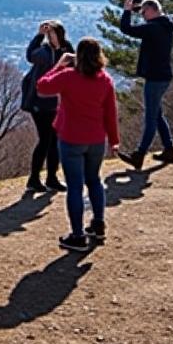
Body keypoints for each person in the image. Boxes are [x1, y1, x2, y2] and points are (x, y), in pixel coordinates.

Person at [37, 38, 120, 252]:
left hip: (71, 138)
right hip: (96, 139)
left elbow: (42, 87)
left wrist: (58, 65)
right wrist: (114, 140)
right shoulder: (105, 80)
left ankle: (77, 235)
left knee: (74, 186)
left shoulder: (68, 77)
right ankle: (98, 223)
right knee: (94, 180)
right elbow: (111, 113)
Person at [116, 0, 173, 169]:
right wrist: (137, 7)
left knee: (150, 118)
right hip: (164, 76)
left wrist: (127, 10)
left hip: (155, 78)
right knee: (157, 114)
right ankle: (169, 149)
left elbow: (126, 28)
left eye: (144, 12)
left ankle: (139, 154)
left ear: (151, 10)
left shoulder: (153, 28)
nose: (142, 15)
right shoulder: (165, 25)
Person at [21, 20, 74, 193]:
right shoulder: (44, 51)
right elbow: (30, 56)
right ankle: (34, 178)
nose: (51, 37)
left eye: (53, 33)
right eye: (49, 34)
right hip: (40, 101)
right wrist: (38, 36)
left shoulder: (67, 50)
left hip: (57, 101)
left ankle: (51, 177)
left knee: (54, 141)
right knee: (45, 139)